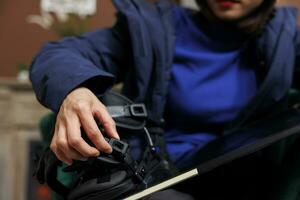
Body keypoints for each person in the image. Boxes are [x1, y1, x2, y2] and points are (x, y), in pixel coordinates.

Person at [30, 0, 300, 199]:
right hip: (152, 180)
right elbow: (60, 53)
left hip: (241, 183)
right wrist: (75, 90)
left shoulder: (285, 41)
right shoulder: (151, 27)